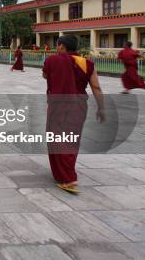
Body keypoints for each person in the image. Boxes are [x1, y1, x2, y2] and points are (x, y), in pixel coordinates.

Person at [43, 34, 104, 194]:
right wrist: (101, 108)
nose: (57, 49)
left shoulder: (52, 60)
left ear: (62, 46)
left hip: (57, 105)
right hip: (79, 106)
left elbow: (45, 75)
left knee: (57, 138)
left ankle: (68, 178)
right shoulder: (87, 63)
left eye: (57, 46)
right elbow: (96, 87)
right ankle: (63, 173)